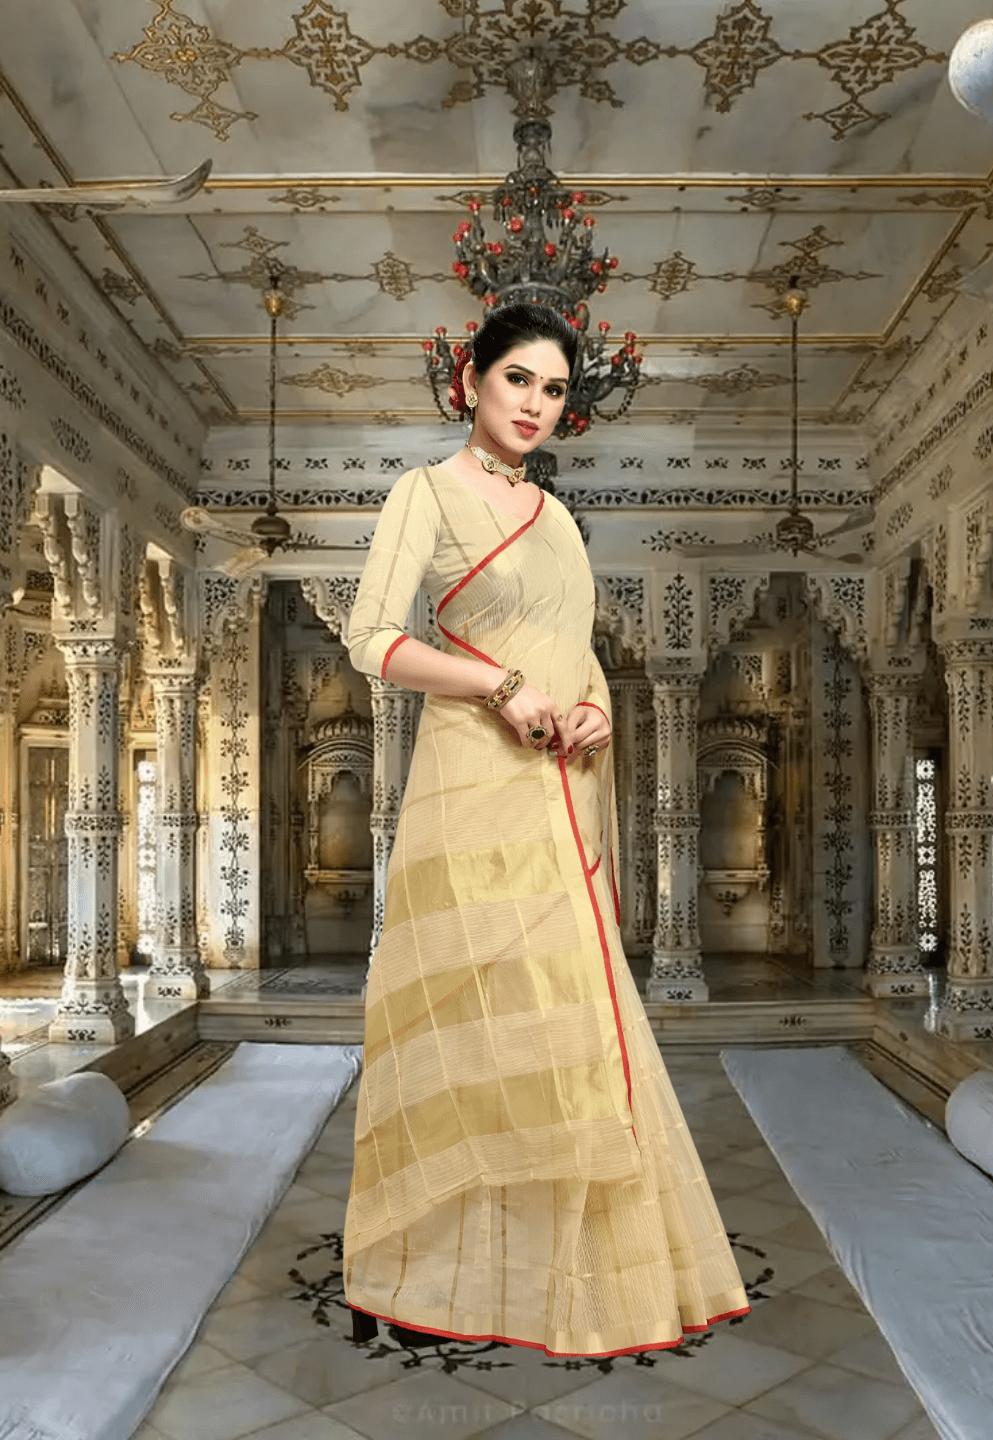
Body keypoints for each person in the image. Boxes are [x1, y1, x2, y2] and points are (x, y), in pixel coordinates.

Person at [342, 301, 750, 1357]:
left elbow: (585, 655)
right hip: (471, 782)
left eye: (555, 389)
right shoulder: (424, 495)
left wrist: (593, 709)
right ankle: (435, 1263)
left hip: (560, 784)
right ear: (471, 381)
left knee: (562, 1014)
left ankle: (551, 1262)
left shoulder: (561, 522)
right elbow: (371, 638)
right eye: (517, 379)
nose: (535, 404)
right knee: (472, 1010)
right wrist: (499, 685)